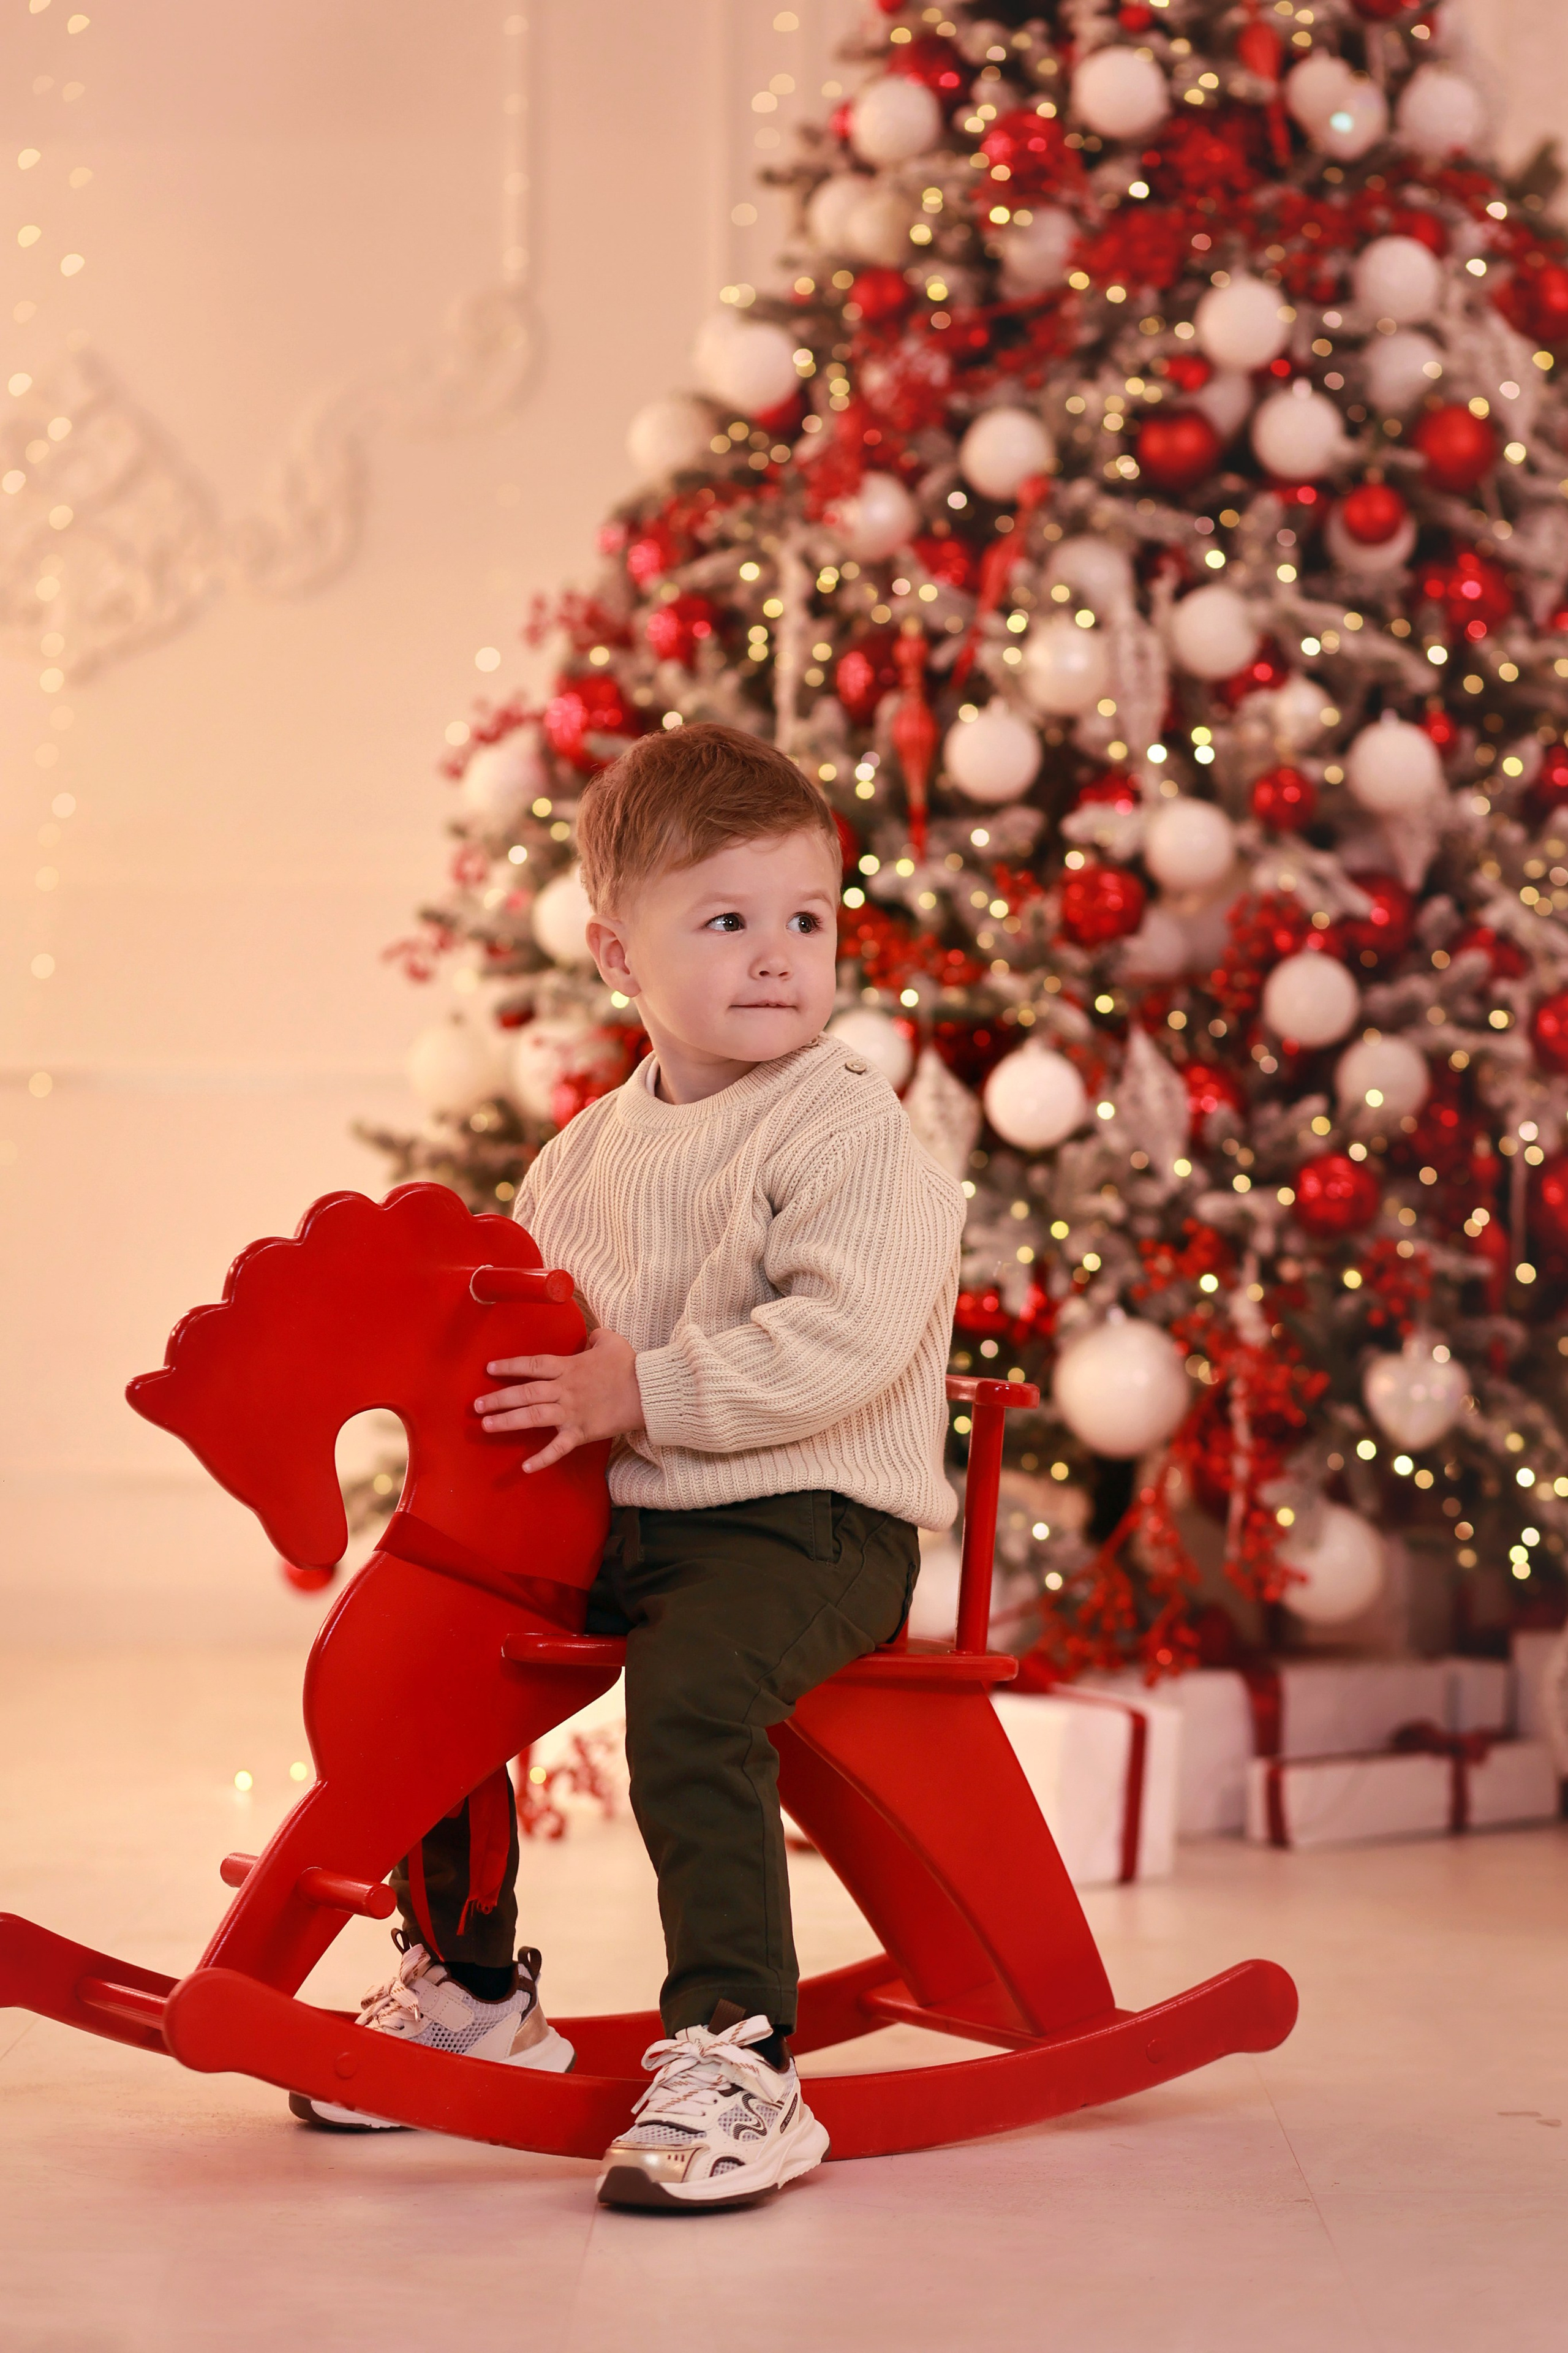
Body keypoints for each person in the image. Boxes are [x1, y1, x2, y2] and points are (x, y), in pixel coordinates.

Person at [297, 722, 964, 2209]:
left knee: (692, 1700)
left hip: (807, 1520)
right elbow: (537, 1328)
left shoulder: (850, 1127)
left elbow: (844, 1342)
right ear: (616, 956)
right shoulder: (588, 1154)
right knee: (434, 1662)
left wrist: (638, 1388)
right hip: (636, 1517)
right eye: (724, 921)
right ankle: (473, 1987)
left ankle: (737, 2053)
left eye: (807, 918)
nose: (778, 955)